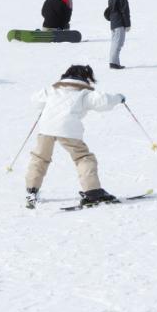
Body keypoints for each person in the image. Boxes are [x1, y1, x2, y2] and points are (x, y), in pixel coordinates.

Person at [24, 64, 126, 208]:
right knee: (82, 157)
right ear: (86, 78)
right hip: (68, 129)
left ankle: (31, 191)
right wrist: (119, 98)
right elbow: (104, 101)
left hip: (46, 127)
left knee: (40, 157)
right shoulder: (83, 93)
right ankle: (93, 192)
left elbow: (35, 99)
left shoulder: (52, 90)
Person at [104, 0, 131, 69]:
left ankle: (114, 62)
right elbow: (125, 11)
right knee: (118, 43)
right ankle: (114, 63)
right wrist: (127, 24)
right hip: (119, 22)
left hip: (114, 22)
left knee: (114, 42)